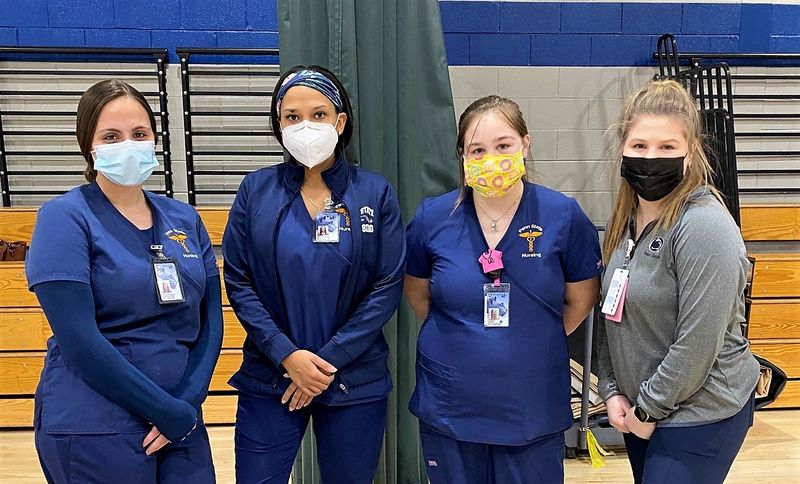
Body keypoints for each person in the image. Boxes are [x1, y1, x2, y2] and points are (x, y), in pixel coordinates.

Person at [26, 80, 223, 483]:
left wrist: (186, 403)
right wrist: (164, 411)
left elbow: (211, 321)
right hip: (96, 421)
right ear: (90, 146)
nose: (128, 145)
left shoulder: (184, 220)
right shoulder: (64, 218)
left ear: (154, 139)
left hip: (180, 419)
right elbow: (80, 341)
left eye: (139, 134)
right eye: (111, 136)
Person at [404, 95, 602, 483]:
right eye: (477, 150)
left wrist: (532, 336)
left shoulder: (563, 216)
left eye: (503, 146)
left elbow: (581, 299)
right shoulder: (433, 218)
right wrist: (465, 336)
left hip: (530, 406)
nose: (490, 158)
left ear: (525, 144)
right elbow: (417, 294)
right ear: (461, 156)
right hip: (452, 404)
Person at [222, 65, 405, 484]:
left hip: (352, 380)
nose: (306, 125)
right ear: (279, 126)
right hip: (271, 377)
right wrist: (287, 355)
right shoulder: (255, 190)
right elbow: (239, 280)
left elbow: (387, 284)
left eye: (319, 114)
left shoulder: (374, 193)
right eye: (292, 116)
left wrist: (324, 363)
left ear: (341, 122)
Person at [596, 79, 760, 484]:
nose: (651, 158)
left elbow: (698, 341)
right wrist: (612, 388)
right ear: (622, 150)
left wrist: (649, 409)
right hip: (642, 410)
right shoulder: (625, 223)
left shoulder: (703, 225)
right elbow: (611, 315)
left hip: (699, 412)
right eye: (639, 146)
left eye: (667, 147)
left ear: (690, 153)